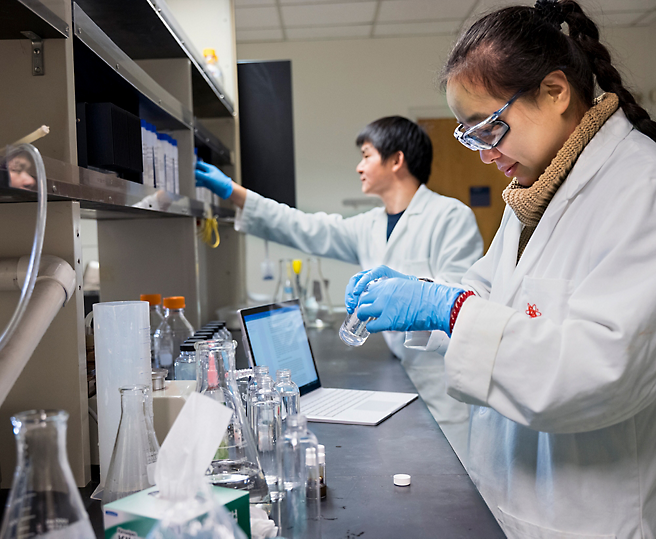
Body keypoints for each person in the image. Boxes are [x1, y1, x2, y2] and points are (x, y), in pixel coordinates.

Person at [345, 1, 656, 536]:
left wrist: (450, 310)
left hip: (586, 515)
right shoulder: (536, 191)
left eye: (488, 127)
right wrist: (425, 297)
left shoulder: (640, 188)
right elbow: (486, 295)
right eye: (470, 137)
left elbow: (599, 370)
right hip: (506, 495)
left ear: (555, 92)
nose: (485, 154)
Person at [196, 116, 483, 431]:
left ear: (397, 160)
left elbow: (464, 307)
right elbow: (303, 227)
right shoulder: (368, 225)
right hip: (400, 378)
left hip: (440, 382)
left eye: (366, 155)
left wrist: (414, 293)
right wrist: (234, 193)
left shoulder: (451, 217)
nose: (359, 167)